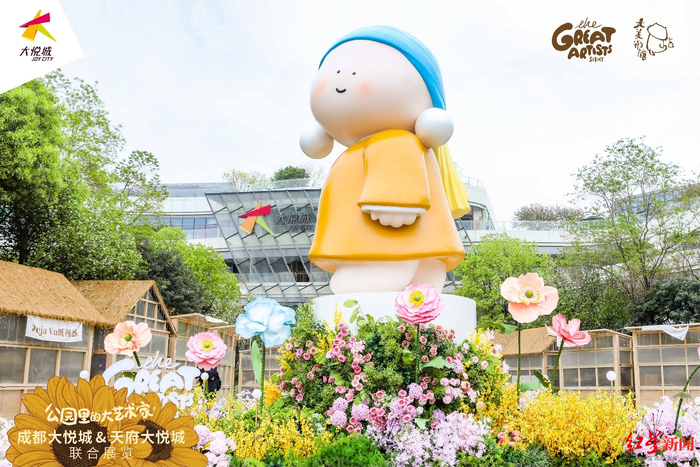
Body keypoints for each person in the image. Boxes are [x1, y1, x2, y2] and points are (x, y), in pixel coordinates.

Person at [300, 26, 469, 294]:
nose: (342, 77)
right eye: (335, 69)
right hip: (374, 243)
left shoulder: (396, 142)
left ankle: (384, 270)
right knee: (418, 277)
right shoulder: (365, 148)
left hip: (385, 243)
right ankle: (414, 275)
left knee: (386, 266)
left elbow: (398, 173)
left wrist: (396, 203)